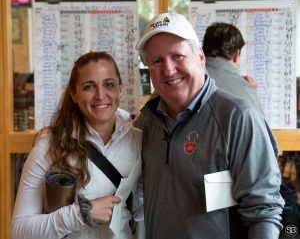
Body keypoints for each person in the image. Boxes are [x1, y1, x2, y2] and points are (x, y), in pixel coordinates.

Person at [135, 13, 284, 239]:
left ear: (201, 57)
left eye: (178, 56)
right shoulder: (146, 122)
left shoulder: (238, 117)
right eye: (156, 61)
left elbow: (263, 211)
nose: (168, 69)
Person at [11, 51, 144, 239]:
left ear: (120, 89)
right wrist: (80, 214)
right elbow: (20, 230)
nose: (100, 95)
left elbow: (142, 215)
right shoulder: (50, 144)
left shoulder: (139, 141)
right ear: (74, 94)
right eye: (89, 87)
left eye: (109, 84)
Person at [202, 22, 263, 113]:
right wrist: (250, 91)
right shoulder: (247, 91)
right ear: (236, 55)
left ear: (202, 50)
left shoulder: (185, 79)